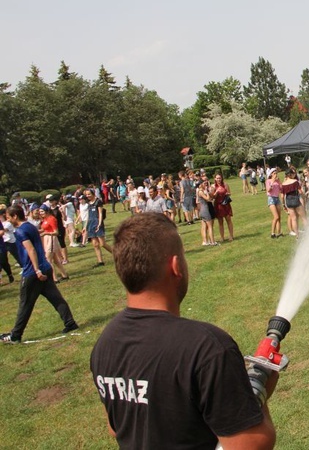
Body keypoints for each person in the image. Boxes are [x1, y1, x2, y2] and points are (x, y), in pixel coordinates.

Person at [89, 213, 276, 448]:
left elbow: (116, 427)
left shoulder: (104, 344)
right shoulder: (208, 348)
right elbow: (252, 444)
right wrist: (258, 392)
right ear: (176, 266)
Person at [1, 205, 78, 344]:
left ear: (15, 217)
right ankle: (70, 322)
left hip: (33, 272)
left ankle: (15, 335)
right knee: (56, 298)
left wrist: (36, 270)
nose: (7, 219)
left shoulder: (20, 231)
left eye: (8, 217)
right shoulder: (30, 226)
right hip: (46, 268)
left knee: (25, 304)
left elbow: (31, 250)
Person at [39, 205, 68, 282]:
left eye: (42, 211)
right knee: (55, 260)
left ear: (47, 211)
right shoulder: (45, 219)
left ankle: (54, 278)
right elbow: (43, 229)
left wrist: (46, 233)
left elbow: (56, 232)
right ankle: (64, 275)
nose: (41, 213)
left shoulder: (51, 219)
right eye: (40, 212)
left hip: (51, 239)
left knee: (48, 259)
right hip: (46, 239)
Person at [85, 188, 113, 266]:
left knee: (102, 244)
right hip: (91, 224)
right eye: (86, 194)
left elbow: (100, 213)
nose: (87, 196)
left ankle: (116, 254)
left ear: (93, 193)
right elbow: (88, 215)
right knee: (95, 244)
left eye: (89, 194)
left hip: (97, 223)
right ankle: (100, 261)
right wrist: (85, 226)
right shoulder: (88, 203)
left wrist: (99, 223)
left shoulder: (98, 201)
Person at [280, 168, 306, 238]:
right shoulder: (295, 181)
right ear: (291, 174)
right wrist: (304, 197)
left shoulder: (283, 184)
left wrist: (283, 204)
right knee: (303, 217)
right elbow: (300, 191)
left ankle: (297, 235)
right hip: (296, 199)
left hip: (288, 201)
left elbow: (282, 196)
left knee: (293, 219)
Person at [213, 173, 234, 242]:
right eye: (217, 178)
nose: (219, 179)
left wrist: (227, 194)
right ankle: (222, 237)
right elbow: (213, 197)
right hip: (218, 205)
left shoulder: (225, 185)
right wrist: (216, 192)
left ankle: (231, 236)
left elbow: (229, 193)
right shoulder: (213, 186)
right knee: (220, 222)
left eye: (220, 178)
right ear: (215, 179)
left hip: (226, 204)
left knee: (228, 220)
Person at [197, 179, 218, 246]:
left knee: (204, 226)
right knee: (210, 226)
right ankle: (212, 242)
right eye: (203, 183)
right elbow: (208, 199)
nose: (205, 184)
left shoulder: (201, 191)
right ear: (200, 185)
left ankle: (205, 242)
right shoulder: (201, 191)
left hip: (202, 210)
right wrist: (206, 192)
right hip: (205, 210)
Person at [266, 169, 283, 238]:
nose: (276, 174)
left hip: (277, 198)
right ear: (271, 174)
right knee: (276, 217)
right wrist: (272, 181)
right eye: (274, 173)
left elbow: (281, 189)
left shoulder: (277, 181)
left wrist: (279, 182)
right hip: (271, 199)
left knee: (279, 217)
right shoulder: (268, 181)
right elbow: (268, 190)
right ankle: (272, 233)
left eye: (276, 173)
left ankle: (278, 232)